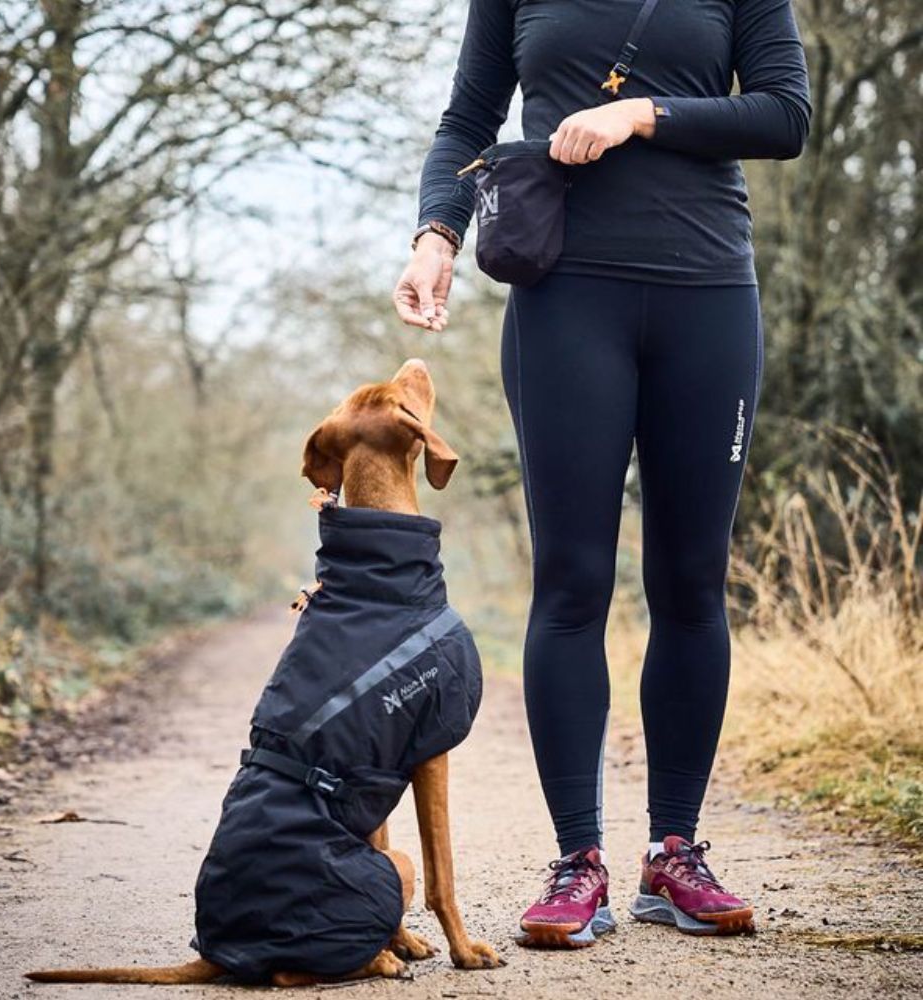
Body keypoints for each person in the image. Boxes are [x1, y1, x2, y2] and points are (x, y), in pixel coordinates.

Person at [392, 0, 810, 945]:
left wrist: (642, 113)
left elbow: (786, 114)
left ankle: (676, 852)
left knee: (692, 583)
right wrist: (436, 235)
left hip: (708, 294)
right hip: (564, 298)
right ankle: (578, 860)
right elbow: (466, 120)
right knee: (573, 580)